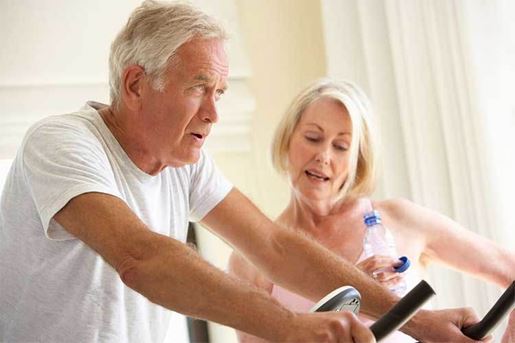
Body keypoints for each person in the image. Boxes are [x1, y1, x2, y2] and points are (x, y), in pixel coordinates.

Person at [0, 1, 487, 342]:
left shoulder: (182, 164)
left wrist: (419, 323)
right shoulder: (62, 144)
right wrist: (292, 328)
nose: (213, 113)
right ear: (135, 84)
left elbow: (273, 247)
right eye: (198, 87)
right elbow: (142, 258)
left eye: (220, 93)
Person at [229, 78, 515, 342]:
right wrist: (350, 295)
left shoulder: (401, 220)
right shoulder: (250, 258)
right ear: (287, 140)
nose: (324, 156)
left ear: (359, 160)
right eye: (313, 138)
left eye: (341, 146)